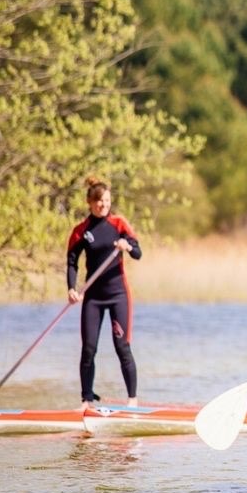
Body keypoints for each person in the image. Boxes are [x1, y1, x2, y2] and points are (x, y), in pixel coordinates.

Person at [66, 176, 142, 411]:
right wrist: (71, 288)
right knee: (89, 348)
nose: (103, 205)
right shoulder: (81, 231)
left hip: (118, 294)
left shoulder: (119, 224)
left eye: (107, 201)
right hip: (93, 298)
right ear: (90, 202)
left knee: (122, 346)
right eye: (99, 201)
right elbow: (71, 262)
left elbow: (138, 252)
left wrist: (127, 246)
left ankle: (132, 401)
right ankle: (86, 401)